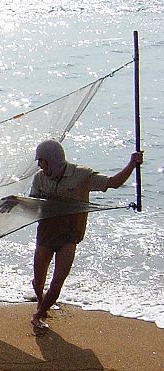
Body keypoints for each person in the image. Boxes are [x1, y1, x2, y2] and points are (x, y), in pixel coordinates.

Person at [28, 139, 143, 332]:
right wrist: (15, 204)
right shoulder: (40, 178)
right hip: (46, 235)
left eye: (42, 161)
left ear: (52, 160)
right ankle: (41, 302)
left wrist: (132, 164)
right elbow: (33, 205)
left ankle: (38, 315)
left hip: (70, 236)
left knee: (58, 280)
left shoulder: (82, 175)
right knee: (38, 280)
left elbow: (113, 183)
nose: (39, 165)